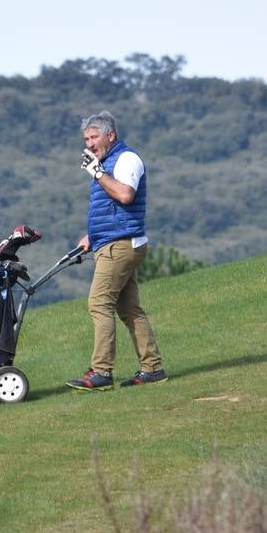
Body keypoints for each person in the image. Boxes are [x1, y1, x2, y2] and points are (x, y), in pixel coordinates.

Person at [66, 111, 168, 390]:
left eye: (94, 137)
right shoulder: (106, 162)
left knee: (99, 304)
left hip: (121, 245)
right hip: (112, 241)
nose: (89, 143)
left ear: (110, 135)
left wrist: (98, 173)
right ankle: (152, 368)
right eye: (86, 139)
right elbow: (113, 207)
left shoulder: (126, 159)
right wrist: (92, 235)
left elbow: (125, 195)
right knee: (129, 308)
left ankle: (101, 372)